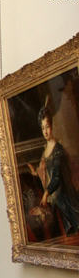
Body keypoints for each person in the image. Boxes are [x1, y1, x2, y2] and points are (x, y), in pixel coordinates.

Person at [27, 100, 79, 235]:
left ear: (53, 127)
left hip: (65, 198)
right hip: (56, 198)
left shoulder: (57, 150)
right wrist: (35, 173)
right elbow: (46, 173)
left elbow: (56, 177)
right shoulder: (46, 149)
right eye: (42, 128)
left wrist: (45, 194)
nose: (45, 131)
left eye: (47, 127)